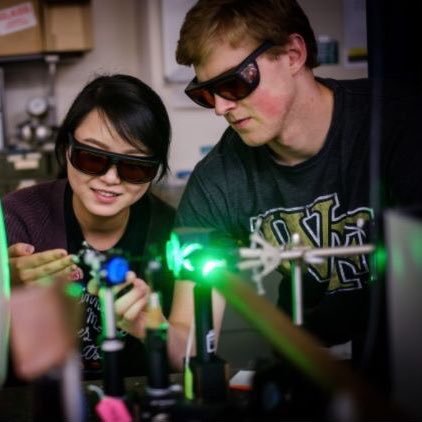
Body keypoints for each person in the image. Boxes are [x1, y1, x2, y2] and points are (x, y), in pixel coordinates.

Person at [169, 0, 422, 387]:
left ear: (293, 54)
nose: (221, 108)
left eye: (233, 83)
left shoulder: (399, 124)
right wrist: (156, 331)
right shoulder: (218, 178)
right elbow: (191, 324)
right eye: (206, 94)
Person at [4, 74, 176, 380]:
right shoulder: (17, 216)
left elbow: (191, 357)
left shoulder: (171, 232)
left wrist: (154, 328)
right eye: (92, 157)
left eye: (134, 165)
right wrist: (6, 285)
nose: (111, 178)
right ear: (68, 147)